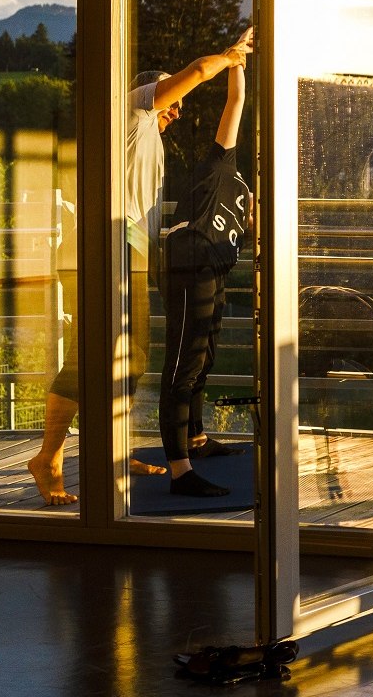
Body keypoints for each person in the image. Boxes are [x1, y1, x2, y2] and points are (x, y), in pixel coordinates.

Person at [26, 28, 254, 505]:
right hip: (110, 244)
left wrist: (237, 68)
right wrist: (230, 55)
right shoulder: (133, 109)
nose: (177, 111)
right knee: (92, 354)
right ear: (152, 91)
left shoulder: (150, 138)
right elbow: (193, 74)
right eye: (172, 102)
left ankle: (109, 448)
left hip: (133, 249)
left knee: (133, 358)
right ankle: (47, 458)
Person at [156, 53, 252, 496]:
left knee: (204, 356)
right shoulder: (221, 166)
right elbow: (235, 103)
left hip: (212, 267)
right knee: (183, 363)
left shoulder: (246, 198)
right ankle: (180, 472)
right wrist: (237, 59)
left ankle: (195, 439)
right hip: (190, 261)